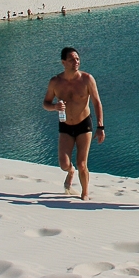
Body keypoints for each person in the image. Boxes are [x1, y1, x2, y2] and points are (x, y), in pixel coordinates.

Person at [42, 47, 105, 200]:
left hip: (84, 124)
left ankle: (85, 193)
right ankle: (71, 172)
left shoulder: (87, 79)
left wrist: (100, 126)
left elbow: (97, 102)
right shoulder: (55, 82)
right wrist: (54, 107)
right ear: (63, 62)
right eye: (71, 59)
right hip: (65, 125)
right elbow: (46, 103)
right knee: (64, 164)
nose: (76, 62)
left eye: (77, 59)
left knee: (82, 164)